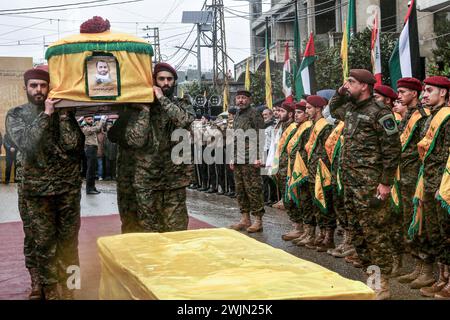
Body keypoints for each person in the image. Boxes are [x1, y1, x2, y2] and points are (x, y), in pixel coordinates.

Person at [6, 67, 85, 300]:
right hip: (35, 190)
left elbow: (74, 146)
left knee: (69, 241)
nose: (39, 90)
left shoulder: (65, 114)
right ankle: (46, 288)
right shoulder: (16, 114)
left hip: (67, 189)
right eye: (34, 86)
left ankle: (71, 286)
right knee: (41, 242)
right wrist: (47, 114)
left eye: (43, 85)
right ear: (26, 88)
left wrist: (62, 115)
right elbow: (26, 143)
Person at [329, 69, 401, 299]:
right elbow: (332, 109)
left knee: (375, 234)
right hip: (351, 183)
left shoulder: (380, 112)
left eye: (351, 82)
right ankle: (371, 278)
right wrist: (340, 91)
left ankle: (382, 283)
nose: (347, 85)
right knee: (358, 234)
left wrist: (386, 183)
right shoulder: (350, 109)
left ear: (365, 86)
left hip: (370, 184)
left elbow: (392, 151)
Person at [122, 62, 195, 232]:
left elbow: (184, 120)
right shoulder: (140, 107)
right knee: (149, 230)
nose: (166, 83)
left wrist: (161, 98)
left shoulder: (183, 104)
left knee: (176, 229)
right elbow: (135, 141)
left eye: (169, 79)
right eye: (161, 79)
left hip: (174, 178)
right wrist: (145, 110)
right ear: (154, 81)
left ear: (174, 82)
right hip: (147, 178)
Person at [408, 76, 450, 298]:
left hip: (443, 186)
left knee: (447, 233)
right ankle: (442, 279)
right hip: (429, 181)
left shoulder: (447, 118)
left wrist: (441, 185)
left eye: (429, 90)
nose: (424, 95)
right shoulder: (431, 117)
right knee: (437, 233)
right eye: (423, 91)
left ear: (443, 93)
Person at [391, 77, 431, 281]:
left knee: (419, 221)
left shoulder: (423, 116)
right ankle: (417, 266)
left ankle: (426, 270)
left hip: (416, 176)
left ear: (414, 93)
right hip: (403, 176)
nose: (398, 96)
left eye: (403, 92)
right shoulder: (409, 116)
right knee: (408, 221)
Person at [299, 95, 335, 251]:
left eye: (309, 108)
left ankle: (329, 237)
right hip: (312, 171)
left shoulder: (325, 127)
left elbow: (328, 150)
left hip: (322, 171)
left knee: (325, 204)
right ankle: (320, 234)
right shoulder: (313, 125)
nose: (306, 111)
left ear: (318, 108)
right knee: (316, 205)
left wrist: (324, 169)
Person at [229, 89, 265, 233]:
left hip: (251, 158)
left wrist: (258, 156)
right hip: (238, 158)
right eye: (238, 98)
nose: (240, 101)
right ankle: (245, 219)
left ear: (249, 100)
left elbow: (260, 135)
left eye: (243, 98)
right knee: (240, 189)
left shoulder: (254, 113)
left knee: (253, 189)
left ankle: (258, 220)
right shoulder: (237, 114)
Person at [282, 101, 312, 241]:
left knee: (305, 202)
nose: (296, 115)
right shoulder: (297, 128)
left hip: (303, 171)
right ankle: (298, 228)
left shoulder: (308, 128)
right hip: (292, 168)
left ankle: (307, 231)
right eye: (295, 112)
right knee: (293, 200)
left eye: (299, 112)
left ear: (306, 114)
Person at [82, 115, 106, 194]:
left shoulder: (92, 125)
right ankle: (89, 189)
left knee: (93, 169)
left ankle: (92, 187)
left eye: (91, 119)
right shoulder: (84, 127)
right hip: (89, 148)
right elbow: (96, 129)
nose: (91, 120)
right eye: (89, 119)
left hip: (93, 148)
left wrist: (99, 123)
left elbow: (98, 129)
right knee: (90, 170)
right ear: (85, 120)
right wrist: (101, 121)